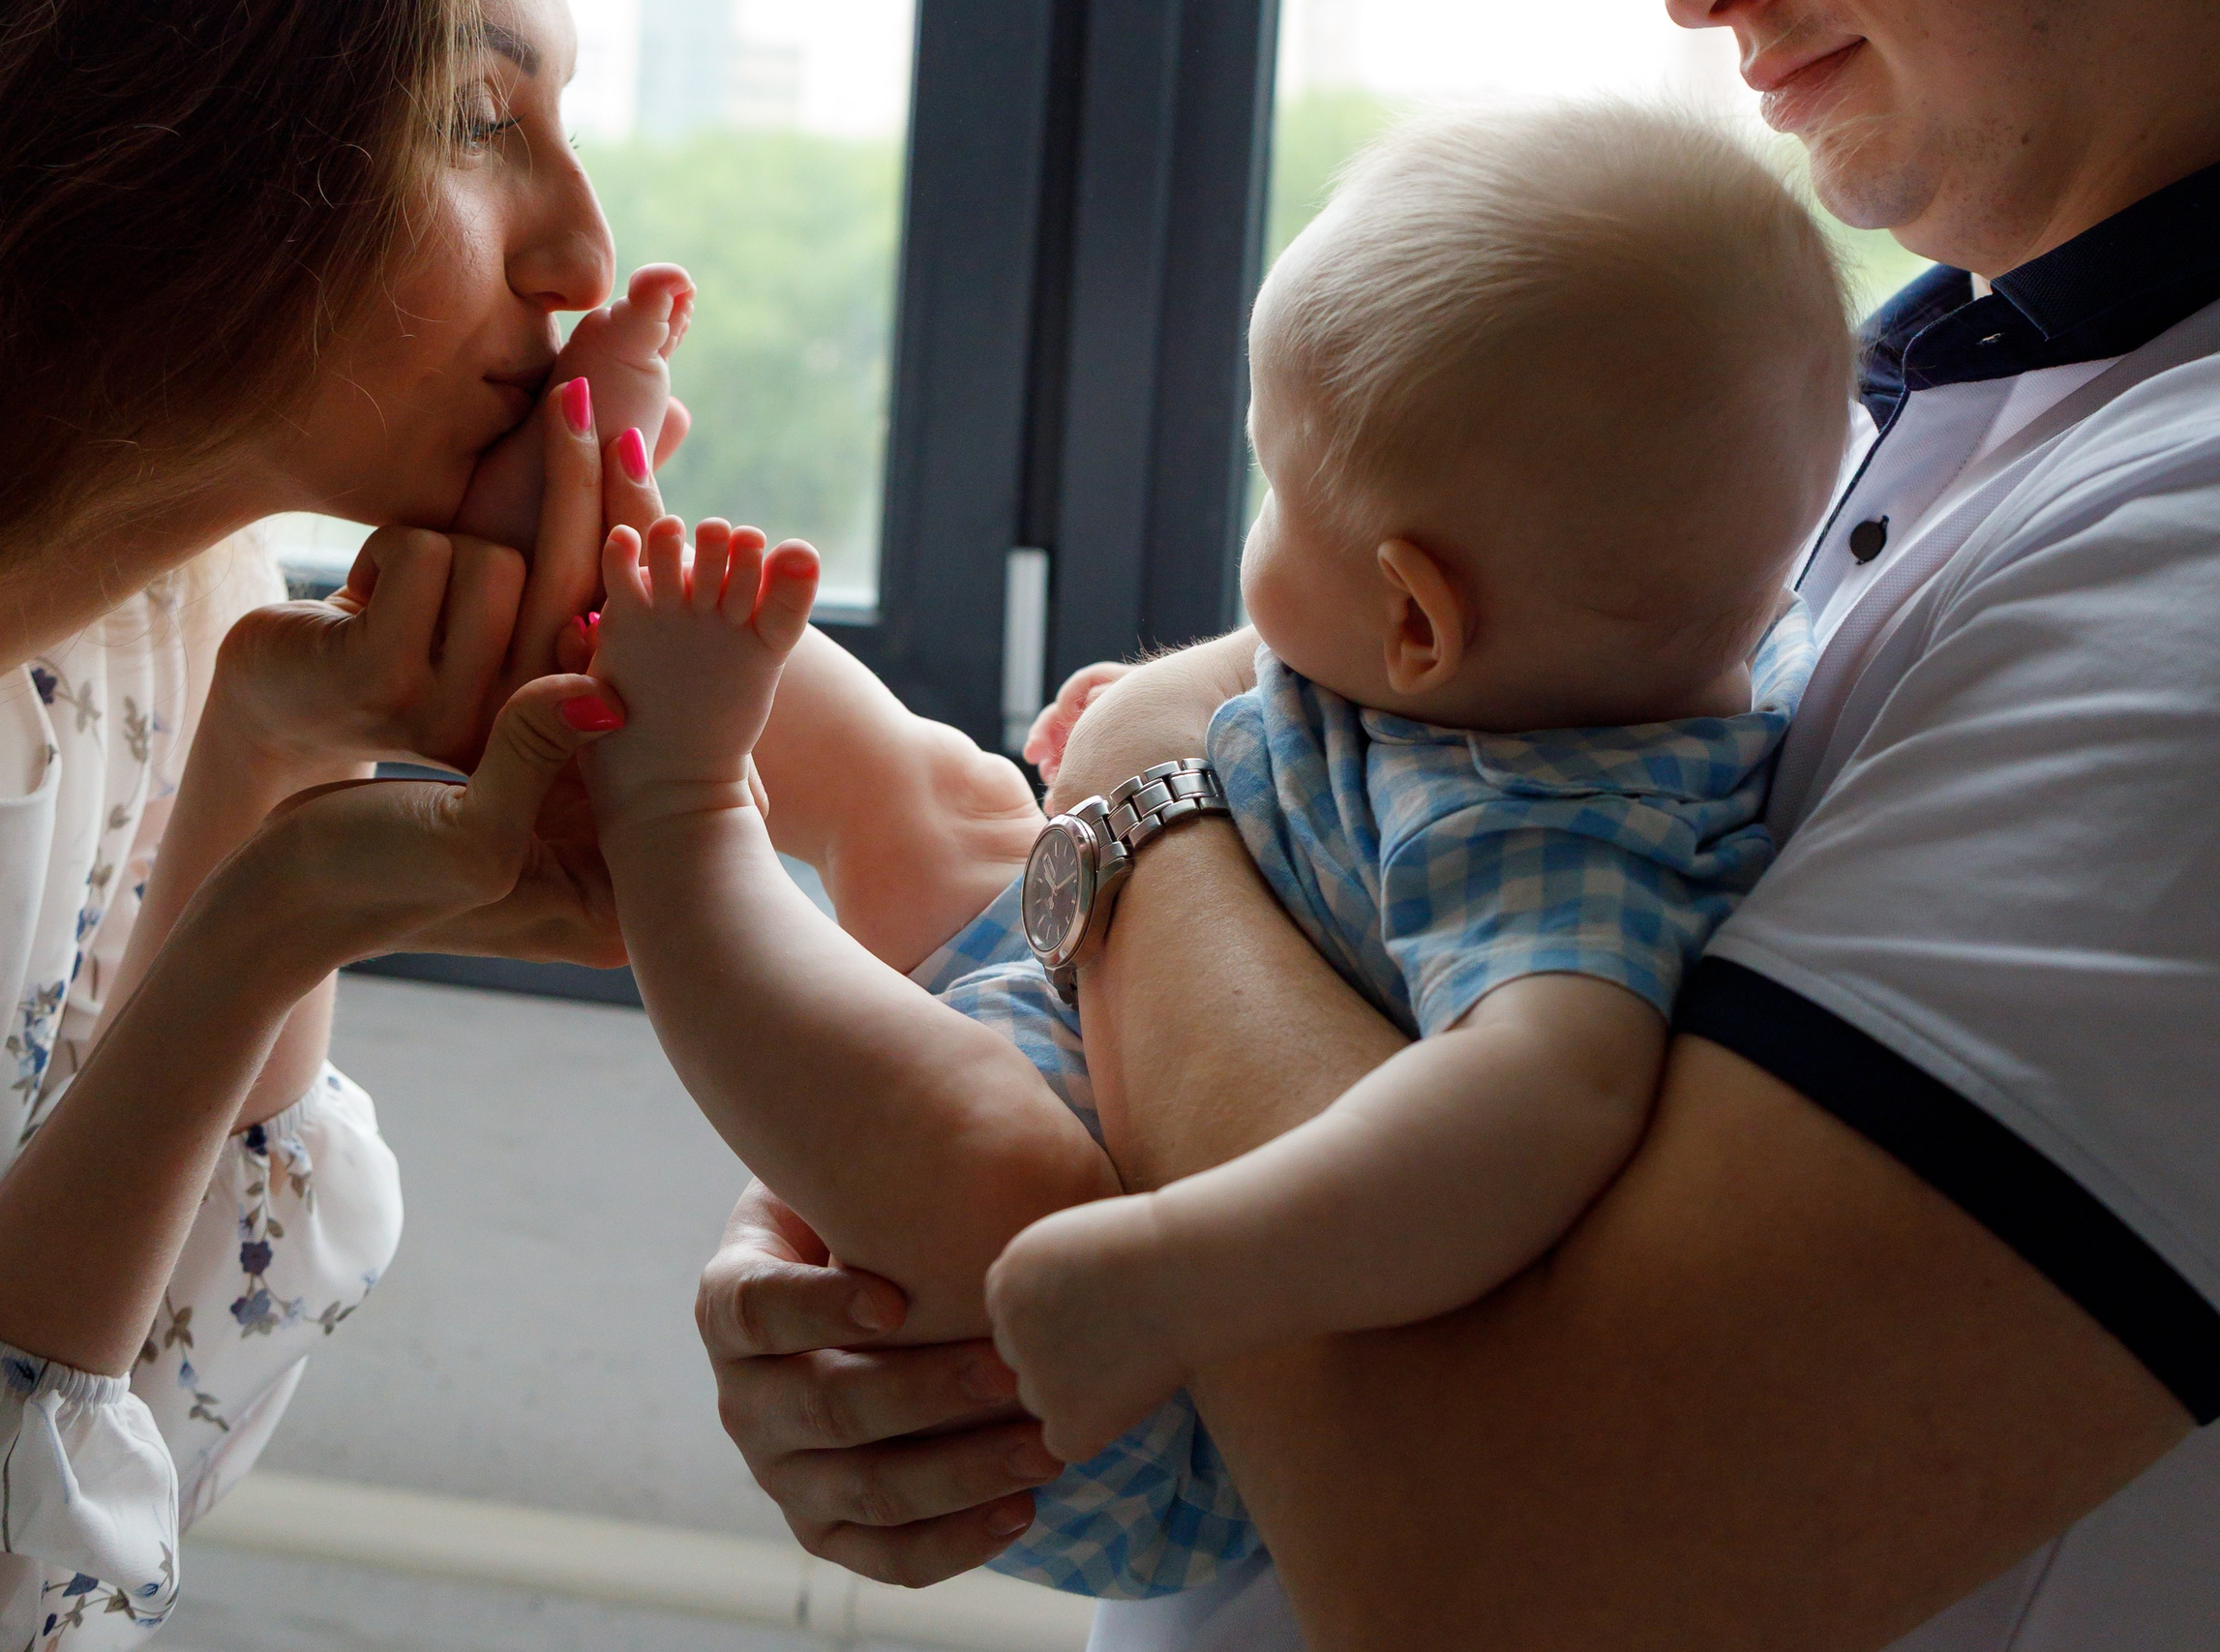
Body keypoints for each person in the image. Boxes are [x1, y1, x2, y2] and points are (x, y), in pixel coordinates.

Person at [694, 1, 2220, 1646]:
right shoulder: (1842, 384)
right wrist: (901, 1174)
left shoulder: (2177, 556)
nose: (1694, 3)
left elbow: (1506, 1581)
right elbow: (1433, 676)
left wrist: (1138, 791)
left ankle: (677, 826)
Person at [583, 104, 1848, 1601]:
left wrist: (1174, 1274)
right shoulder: (1547, 656)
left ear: (1417, 621)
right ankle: (605, 536)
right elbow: (1319, 727)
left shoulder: (1568, 839)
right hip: (1113, 1051)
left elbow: (1531, 1111)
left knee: (970, 1155)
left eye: (1274, 493)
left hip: (1152, 1399)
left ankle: (674, 814)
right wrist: (1206, 724)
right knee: (916, 785)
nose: (1255, 535)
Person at [0, 0, 752, 1642]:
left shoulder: (165, 643)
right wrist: (268, 924)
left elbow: (138, 1461)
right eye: (479, 124)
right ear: (155, 112)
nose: (584, 255)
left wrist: (290, 746)